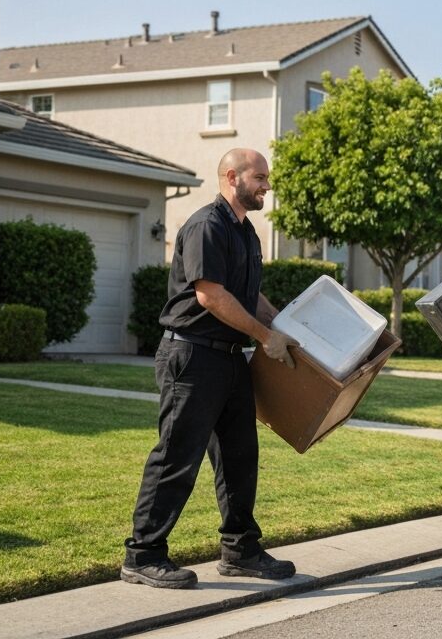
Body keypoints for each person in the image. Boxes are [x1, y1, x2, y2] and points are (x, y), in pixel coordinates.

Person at [121, 148, 301, 589]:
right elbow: (211, 296)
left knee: (240, 456)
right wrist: (266, 337)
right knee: (177, 456)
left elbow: (248, 297)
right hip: (191, 357)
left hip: (230, 358)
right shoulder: (207, 225)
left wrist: (286, 327)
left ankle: (241, 551)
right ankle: (143, 555)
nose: (267, 185)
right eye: (260, 177)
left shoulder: (246, 232)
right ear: (232, 177)